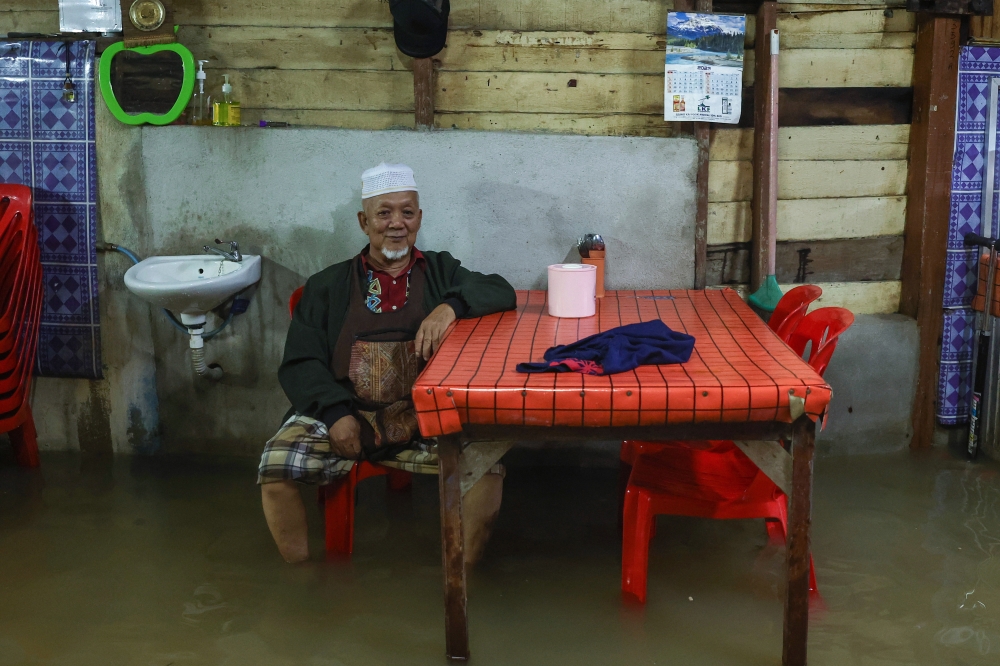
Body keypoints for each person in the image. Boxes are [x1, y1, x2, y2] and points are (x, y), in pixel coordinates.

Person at [259, 163, 517, 564]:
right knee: (275, 467)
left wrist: (450, 306)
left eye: (407, 212)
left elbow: (499, 289)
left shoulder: (440, 270)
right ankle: (304, 582)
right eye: (384, 213)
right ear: (364, 222)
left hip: (421, 412)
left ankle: (462, 581)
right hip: (346, 412)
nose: (397, 224)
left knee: (487, 466)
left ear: (419, 218)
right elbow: (299, 361)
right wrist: (334, 412)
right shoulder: (327, 285)